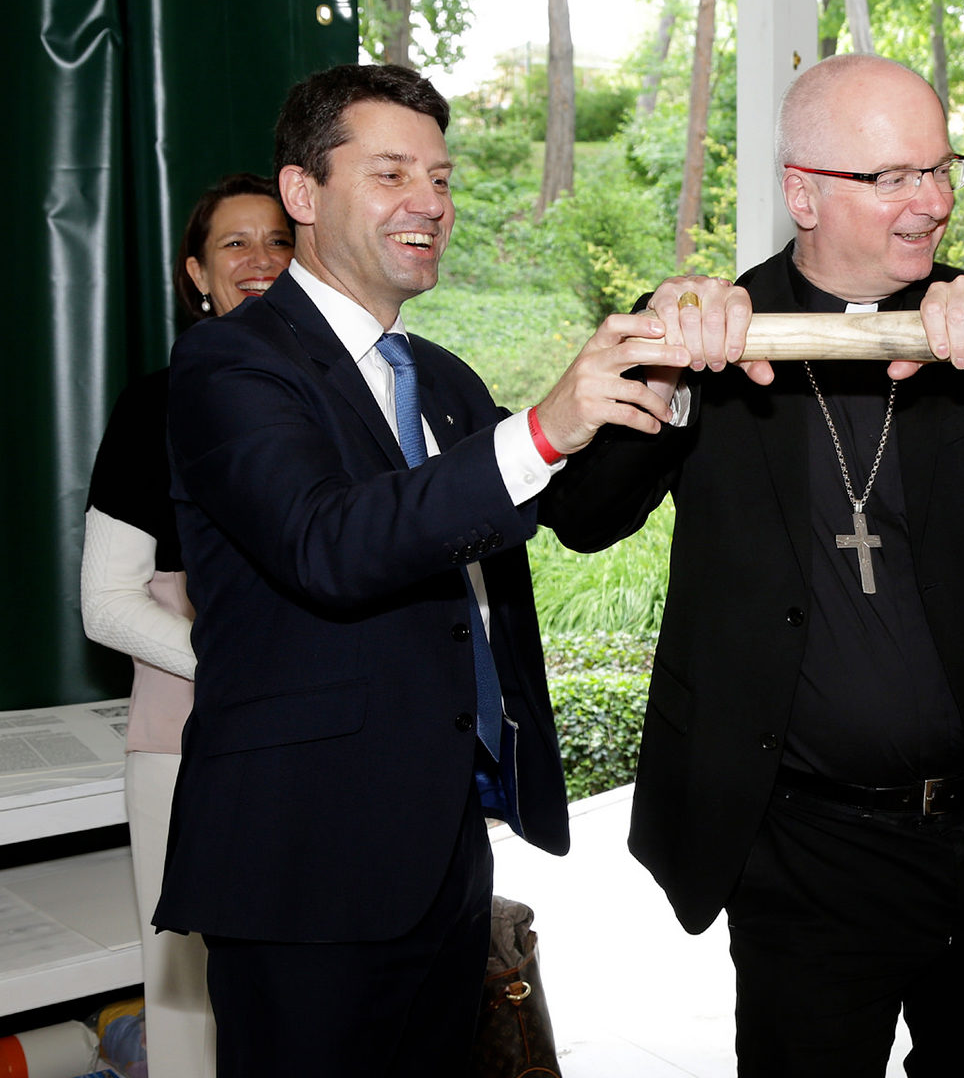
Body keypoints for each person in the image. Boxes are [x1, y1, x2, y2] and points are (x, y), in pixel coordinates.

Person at [540, 53, 964, 1077]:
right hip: (807, 854)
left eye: (941, 168)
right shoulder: (715, 332)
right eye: (895, 179)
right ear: (803, 194)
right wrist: (661, 368)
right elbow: (583, 517)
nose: (935, 202)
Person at [155, 64, 678, 1074]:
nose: (430, 205)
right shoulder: (232, 365)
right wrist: (540, 428)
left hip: (440, 855)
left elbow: (572, 512)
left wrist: (669, 390)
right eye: (393, 174)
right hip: (303, 865)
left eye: (441, 180)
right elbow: (328, 544)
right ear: (302, 194)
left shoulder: (437, 377)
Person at [80, 172, 292, 1078]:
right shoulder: (155, 403)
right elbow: (106, 603)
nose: (260, 260)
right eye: (234, 245)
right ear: (195, 274)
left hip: (324, 751)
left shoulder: (350, 393)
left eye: (278, 241)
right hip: (186, 744)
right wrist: (242, 663)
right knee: (188, 1015)